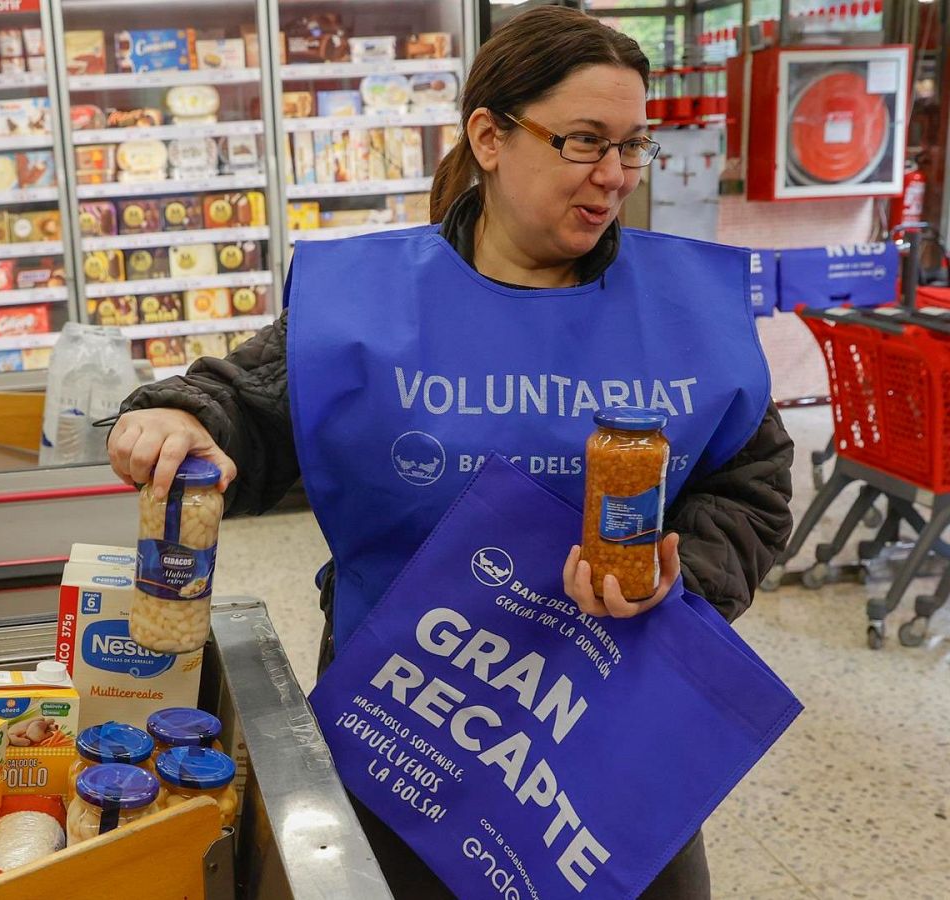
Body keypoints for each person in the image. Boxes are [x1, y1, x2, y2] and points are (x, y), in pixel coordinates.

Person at [106, 7, 794, 898]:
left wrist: (682, 573)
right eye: (585, 141)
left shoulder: (682, 316)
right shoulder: (370, 307)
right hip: (405, 725)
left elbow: (753, 482)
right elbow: (249, 403)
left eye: (633, 144)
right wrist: (182, 417)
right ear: (489, 136)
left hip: (603, 730)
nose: (616, 175)